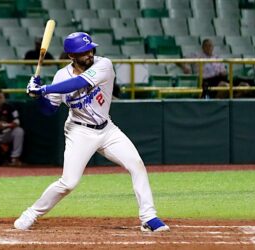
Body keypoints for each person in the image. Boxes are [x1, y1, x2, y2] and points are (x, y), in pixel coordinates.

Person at [14, 32, 170, 232]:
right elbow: (49, 110)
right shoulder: (61, 75)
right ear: (71, 56)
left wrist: (44, 89)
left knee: (136, 164)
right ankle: (31, 214)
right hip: (79, 131)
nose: (89, 54)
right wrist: (37, 96)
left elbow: (80, 83)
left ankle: (149, 217)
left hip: (107, 129)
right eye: (83, 52)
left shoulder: (103, 64)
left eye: (90, 49)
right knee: (68, 183)